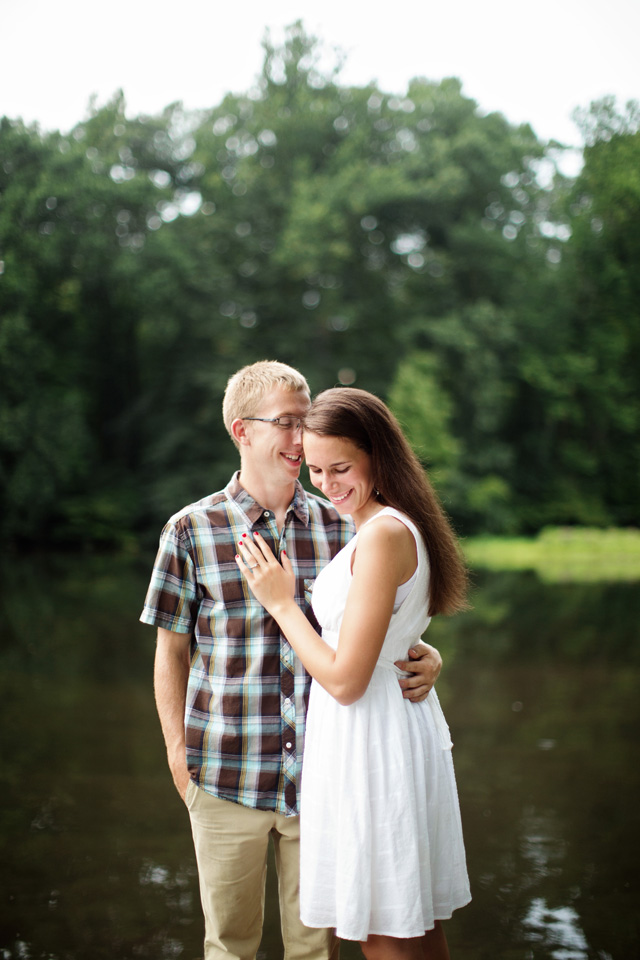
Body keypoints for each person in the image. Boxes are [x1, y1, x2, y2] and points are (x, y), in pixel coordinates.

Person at [140, 361, 444, 960]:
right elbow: (171, 651)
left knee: (316, 950)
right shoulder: (190, 530)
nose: (301, 439)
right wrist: (178, 754)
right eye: (285, 423)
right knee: (229, 946)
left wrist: (427, 657)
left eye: (305, 422)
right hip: (225, 773)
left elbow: (380, 626)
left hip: (326, 777)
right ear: (241, 431)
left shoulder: (346, 521)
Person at [236, 387, 471, 960]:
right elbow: (389, 632)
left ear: (378, 455)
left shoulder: (386, 532)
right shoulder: (383, 528)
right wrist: (425, 651)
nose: (327, 482)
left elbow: (344, 680)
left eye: (341, 467)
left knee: (382, 926)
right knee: (407, 922)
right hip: (376, 731)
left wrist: (282, 604)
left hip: (374, 739)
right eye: (314, 469)